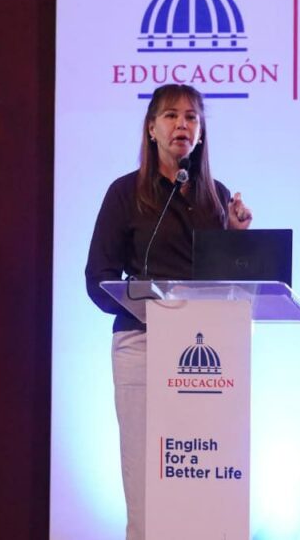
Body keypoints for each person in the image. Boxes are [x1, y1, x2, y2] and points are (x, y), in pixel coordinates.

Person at [85, 84, 251, 540]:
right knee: (146, 486)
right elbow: (97, 279)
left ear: (201, 131)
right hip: (142, 346)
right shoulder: (125, 193)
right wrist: (152, 305)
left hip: (208, 357)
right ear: (152, 129)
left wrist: (235, 236)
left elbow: (227, 286)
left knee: (202, 481)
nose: (183, 124)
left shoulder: (216, 196)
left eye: (192, 117)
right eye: (172, 115)